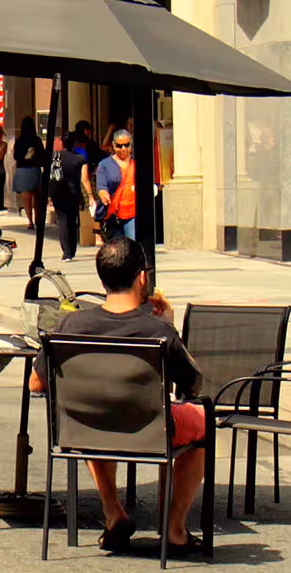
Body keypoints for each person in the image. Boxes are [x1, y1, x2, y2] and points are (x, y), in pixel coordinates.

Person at [29, 236, 209, 555]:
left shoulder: (71, 323)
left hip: (89, 428)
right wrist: (167, 324)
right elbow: (193, 385)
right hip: (151, 429)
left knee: (92, 411)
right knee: (202, 419)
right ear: (142, 277)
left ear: (102, 279)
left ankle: (114, 512)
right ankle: (174, 529)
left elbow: (35, 384)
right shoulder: (158, 331)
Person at [44, 127, 88, 260]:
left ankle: (66, 251)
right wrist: (90, 196)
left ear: (62, 142)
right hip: (72, 193)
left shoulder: (55, 157)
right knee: (72, 221)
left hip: (57, 192)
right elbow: (84, 179)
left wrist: (48, 194)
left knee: (62, 220)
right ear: (74, 142)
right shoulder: (80, 159)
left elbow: (48, 175)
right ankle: (72, 249)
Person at [93, 127, 139, 241]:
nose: (123, 149)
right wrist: (103, 195)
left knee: (131, 246)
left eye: (126, 145)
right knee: (116, 248)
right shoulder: (104, 165)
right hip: (113, 214)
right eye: (119, 146)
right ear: (113, 145)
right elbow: (101, 186)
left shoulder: (137, 163)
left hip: (132, 213)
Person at [11, 116, 45, 231]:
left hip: (23, 170)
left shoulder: (19, 141)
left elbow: (16, 157)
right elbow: (42, 156)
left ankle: (30, 221)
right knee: (36, 196)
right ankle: (38, 219)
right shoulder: (37, 140)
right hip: (34, 169)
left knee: (26, 197)